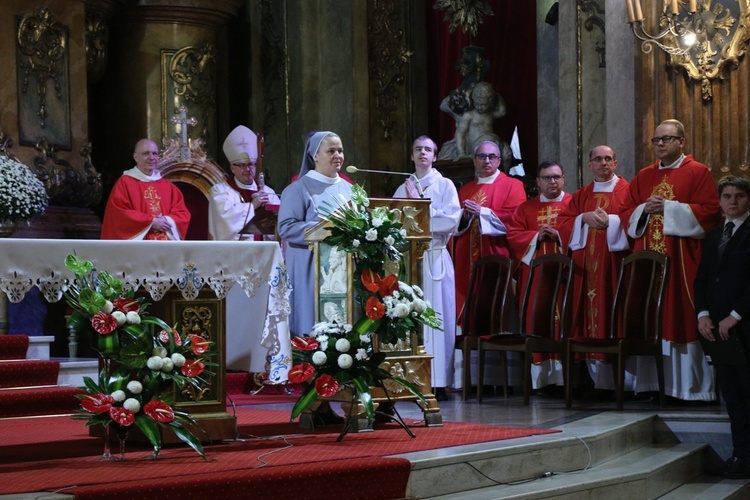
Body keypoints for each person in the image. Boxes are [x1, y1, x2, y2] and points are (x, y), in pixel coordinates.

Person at [620, 119, 722, 402]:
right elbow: (626, 211)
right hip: (648, 265)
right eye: (656, 140)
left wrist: (668, 208)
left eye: (666, 139)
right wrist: (644, 209)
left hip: (680, 261)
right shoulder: (643, 176)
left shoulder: (698, 172)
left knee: (680, 315)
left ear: (682, 142)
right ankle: (653, 386)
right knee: (650, 317)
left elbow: (711, 213)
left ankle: (688, 389)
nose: (660, 145)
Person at [558, 146, 630, 391]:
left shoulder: (626, 191)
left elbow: (634, 219)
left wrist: (611, 221)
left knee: (613, 312)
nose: (603, 163)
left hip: (614, 266)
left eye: (608, 159)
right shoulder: (581, 195)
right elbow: (564, 222)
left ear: (616, 163)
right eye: (598, 159)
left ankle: (619, 384)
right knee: (583, 316)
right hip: (584, 269)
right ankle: (589, 381)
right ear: (589, 164)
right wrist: (581, 219)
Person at [393, 136, 461, 399]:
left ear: (434, 157)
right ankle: (410, 378)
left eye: (428, 150)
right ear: (412, 155)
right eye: (418, 149)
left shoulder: (444, 185)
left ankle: (438, 380)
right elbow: (394, 221)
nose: (423, 153)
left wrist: (419, 206)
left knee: (437, 316)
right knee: (411, 317)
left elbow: (450, 221)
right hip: (410, 261)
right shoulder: (403, 187)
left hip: (435, 257)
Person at [694, 175, 750, 478]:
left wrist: (736, 314)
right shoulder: (714, 235)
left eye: (739, 196)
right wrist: (703, 313)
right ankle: (740, 455)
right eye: (727, 196)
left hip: (743, 325)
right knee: (732, 395)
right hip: (717, 329)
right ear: (720, 200)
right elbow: (702, 279)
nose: (732, 202)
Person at [277, 131, 353, 338]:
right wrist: (327, 227)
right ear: (315, 156)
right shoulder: (298, 189)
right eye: (331, 151)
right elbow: (285, 227)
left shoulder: (350, 189)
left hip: (343, 269)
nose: (337, 155)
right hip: (310, 268)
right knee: (311, 323)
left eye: (340, 150)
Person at [506, 160, 572, 389]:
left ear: (563, 179)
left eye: (556, 177)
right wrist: (536, 236)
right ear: (538, 182)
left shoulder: (573, 204)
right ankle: (542, 381)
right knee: (537, 319)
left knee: (564, 321)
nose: (552, 182)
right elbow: (513, 235)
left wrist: (560, 235)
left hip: (565, 277)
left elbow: (581, 231)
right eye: (547, 178)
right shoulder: (525, 208)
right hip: (534, 276)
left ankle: (568, 379)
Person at [454, 141, 526, 321]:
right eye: (482, 156)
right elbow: (455, 223)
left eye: (492, 156)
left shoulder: (513, 185)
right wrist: (465, 217)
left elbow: (516, 218)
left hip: (496, 253)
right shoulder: (465, 189)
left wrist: (483, 213)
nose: (487, 161)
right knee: (468, 303)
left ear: (499, 160)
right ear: (474, 160)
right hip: (466, 258)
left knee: (495, 305)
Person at [101, 138, 190, 240]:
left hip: (165, 247)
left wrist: (167, 220)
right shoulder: (125, 183)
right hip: (138, 248)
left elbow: (182, 214)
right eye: (146, 153)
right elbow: (119, 215)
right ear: (136, 157)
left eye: (155, 153)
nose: (151, 157)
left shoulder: (168, 186)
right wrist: (150, 222)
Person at [208, 125, 280, 241]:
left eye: (251, 164)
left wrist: (270, 209)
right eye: (242, 165)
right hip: (237, 254)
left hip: (264, 251)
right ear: (232, 168)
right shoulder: (220, 191)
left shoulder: (267, 191)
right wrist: (252, 206)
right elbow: (223, 221)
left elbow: (280, 225)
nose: (248, 169)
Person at [438, 82, 512, 164]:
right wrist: (461, 153)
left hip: (492, 143)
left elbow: (502, 112)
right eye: (477, 104)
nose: (480, 107)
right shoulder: (469, 115)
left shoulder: (489, 114)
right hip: (476, 146)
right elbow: (460, 134)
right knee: (488, 143)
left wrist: (497, 96)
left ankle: (505, 175)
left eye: (484, 105)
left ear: (490, 102)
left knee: (507, 154)